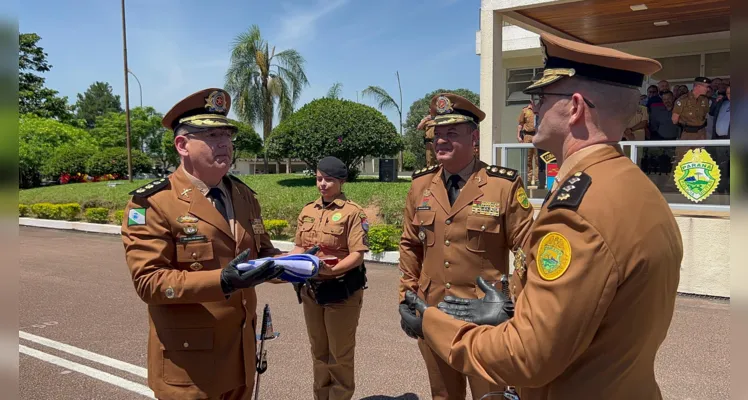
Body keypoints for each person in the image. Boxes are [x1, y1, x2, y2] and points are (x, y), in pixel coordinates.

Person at [400, 33, 683, 399]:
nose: (533, 109)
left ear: (575, 108)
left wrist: (432, 324)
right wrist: (515, 309)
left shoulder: (578, 212)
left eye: (542, 98)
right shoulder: (636, 187)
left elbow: (529, 356)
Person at [121, 88, 285, 400]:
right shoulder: (153, 203)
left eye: (227, 135)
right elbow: (149, 282)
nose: (225, 143)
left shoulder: (244, 196)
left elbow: (263, 254)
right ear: (182, 145)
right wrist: (221, 281)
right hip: (190, 365)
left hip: (240, 355)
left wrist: (298, 263)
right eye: (211, 135)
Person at [398, 93, 535, 400]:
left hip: (484, 319)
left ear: (473, 137)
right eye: (436, 135)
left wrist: (512, 303)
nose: (440, 141)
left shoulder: (502, 185)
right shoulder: (421, 185)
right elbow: (409, 245)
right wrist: (406, 297)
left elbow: (528, 248)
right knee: (443, 396)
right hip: (433, 312)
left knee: (491, 397)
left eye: (451, 134)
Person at [288, 156, 369, 400]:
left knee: (340, 355)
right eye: (319, 179)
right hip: (312, 291)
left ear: (341, 181)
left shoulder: (353, 213)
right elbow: (299, 247)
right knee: (319, 352)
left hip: (341, 291)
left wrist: (332, 271)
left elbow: (357, 255)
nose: (322, 184)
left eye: (329, 180)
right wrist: (282, 263)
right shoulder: (308, 210)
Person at [517, 102, 539, 186]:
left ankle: (537, 180)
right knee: (528, 158)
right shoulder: (525, 110)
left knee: (537, 159)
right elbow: (520, 124)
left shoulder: (539, 109)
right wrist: (518, 135)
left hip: (537, 135)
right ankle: (528, 180)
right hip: (527, 136)